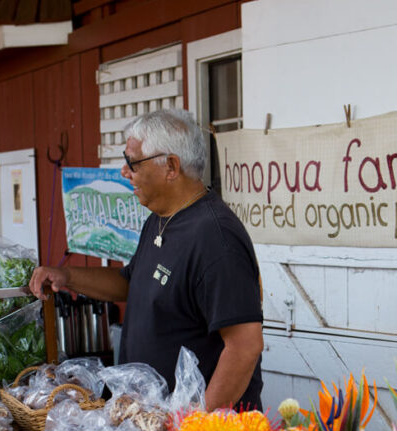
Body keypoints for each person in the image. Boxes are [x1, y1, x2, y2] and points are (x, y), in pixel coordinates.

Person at [29, 109, 264, 410]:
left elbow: (245, 347)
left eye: (132, 163)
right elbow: (132, 282)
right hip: (153, 423)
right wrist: (66, 276)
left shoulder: (216, 238)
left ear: (171, 166)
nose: (124, 173)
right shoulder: (160, 219)